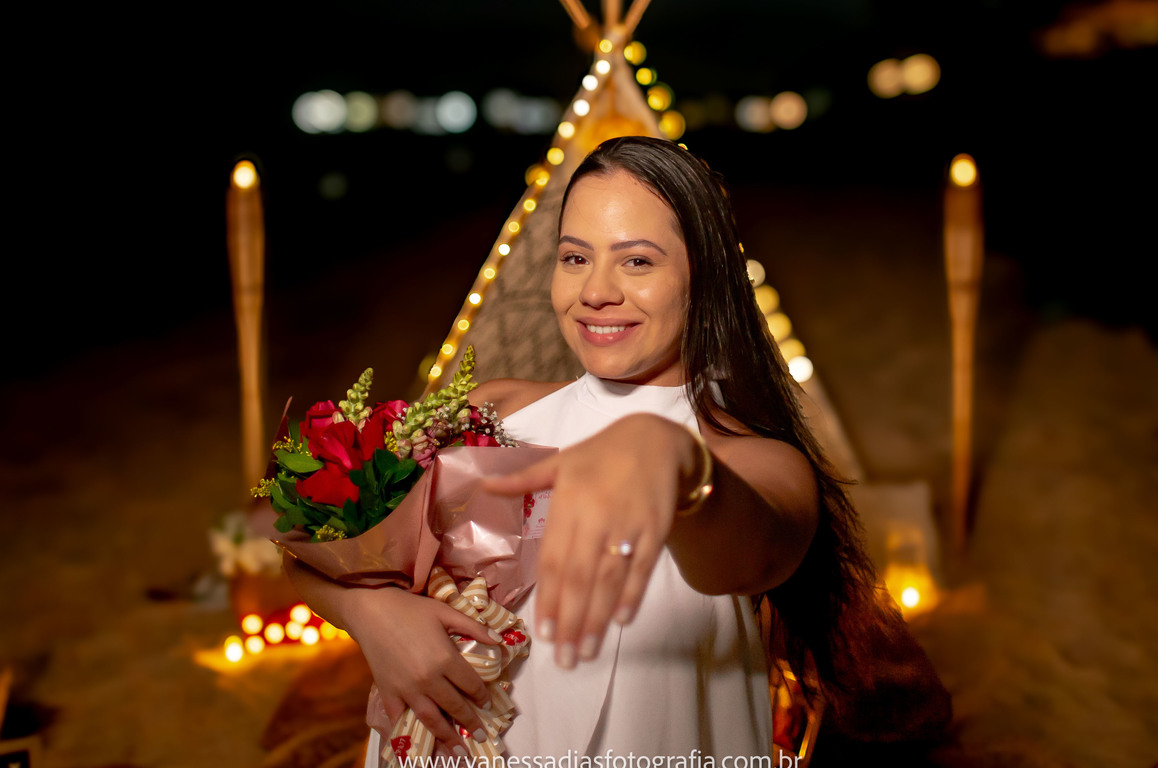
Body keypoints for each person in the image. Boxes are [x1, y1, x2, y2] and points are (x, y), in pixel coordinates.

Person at [285, 136, 883, 765]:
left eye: (637, 262)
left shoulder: (753, 463)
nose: (595, 291)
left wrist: (679, 468)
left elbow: (740, 558)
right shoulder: (495, 408)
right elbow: (309, 545)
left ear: (704, 276)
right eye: (575, 257)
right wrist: (370, 614)